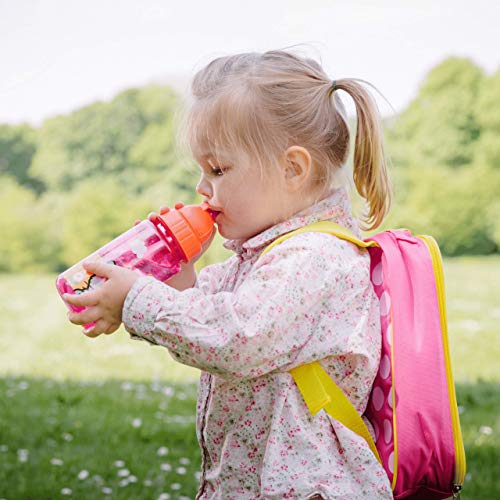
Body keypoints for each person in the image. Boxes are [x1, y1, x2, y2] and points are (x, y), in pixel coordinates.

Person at [64, 48, 394, 499]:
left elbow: (236, 339)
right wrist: (171, 272)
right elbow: (199, 313)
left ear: (292, 169)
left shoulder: (315, 257)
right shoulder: (262, 257)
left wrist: (138, 299)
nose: (202, 188)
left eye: (217, 169)